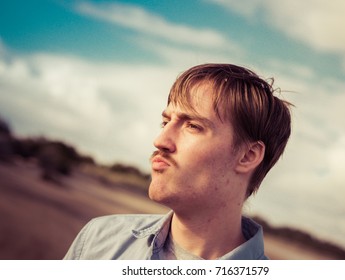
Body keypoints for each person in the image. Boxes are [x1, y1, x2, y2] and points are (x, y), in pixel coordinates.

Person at [64, 63, 292, 260]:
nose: (160, 141)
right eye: (165, 122)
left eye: (192, 126)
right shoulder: (98, 241)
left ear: (248, 156)